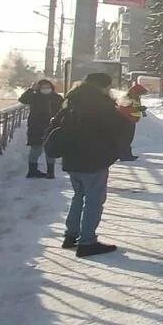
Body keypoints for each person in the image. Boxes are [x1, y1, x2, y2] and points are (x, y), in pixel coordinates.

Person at [46, 73, 127, 257]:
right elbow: (118, 126)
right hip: (94, 158)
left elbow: (56, 122)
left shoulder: (72, 99)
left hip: (72, 157)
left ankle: (70, 235)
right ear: (103, 86)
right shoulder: (101, 102)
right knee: (93, 200)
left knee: (78, 196)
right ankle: (87, 242)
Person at [19, 79, 63, 179]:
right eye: (43, 87)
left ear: (51, 87)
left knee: (50, 150)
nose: (45, 89)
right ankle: (32, 171)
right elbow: (22, 99)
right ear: (39, 88)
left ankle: (50, 172)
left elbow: (63, 110)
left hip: (52, 127)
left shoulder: (57, 98)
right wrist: (31, 89)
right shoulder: (34, 96)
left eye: (47, 86)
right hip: (36, 127)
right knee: (35, 149)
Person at [116, 83, 148, 161]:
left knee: (128, 139)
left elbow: (135, 107)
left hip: (131, 120)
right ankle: (124, 156)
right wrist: (138, 109)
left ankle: (127, 154)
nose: (140, 95)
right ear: (136, 92)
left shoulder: (135, 97)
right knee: (125, 139)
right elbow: (123, 110)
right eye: (140, 93)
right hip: (126, 120)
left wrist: (141, 109)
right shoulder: (127, 98)